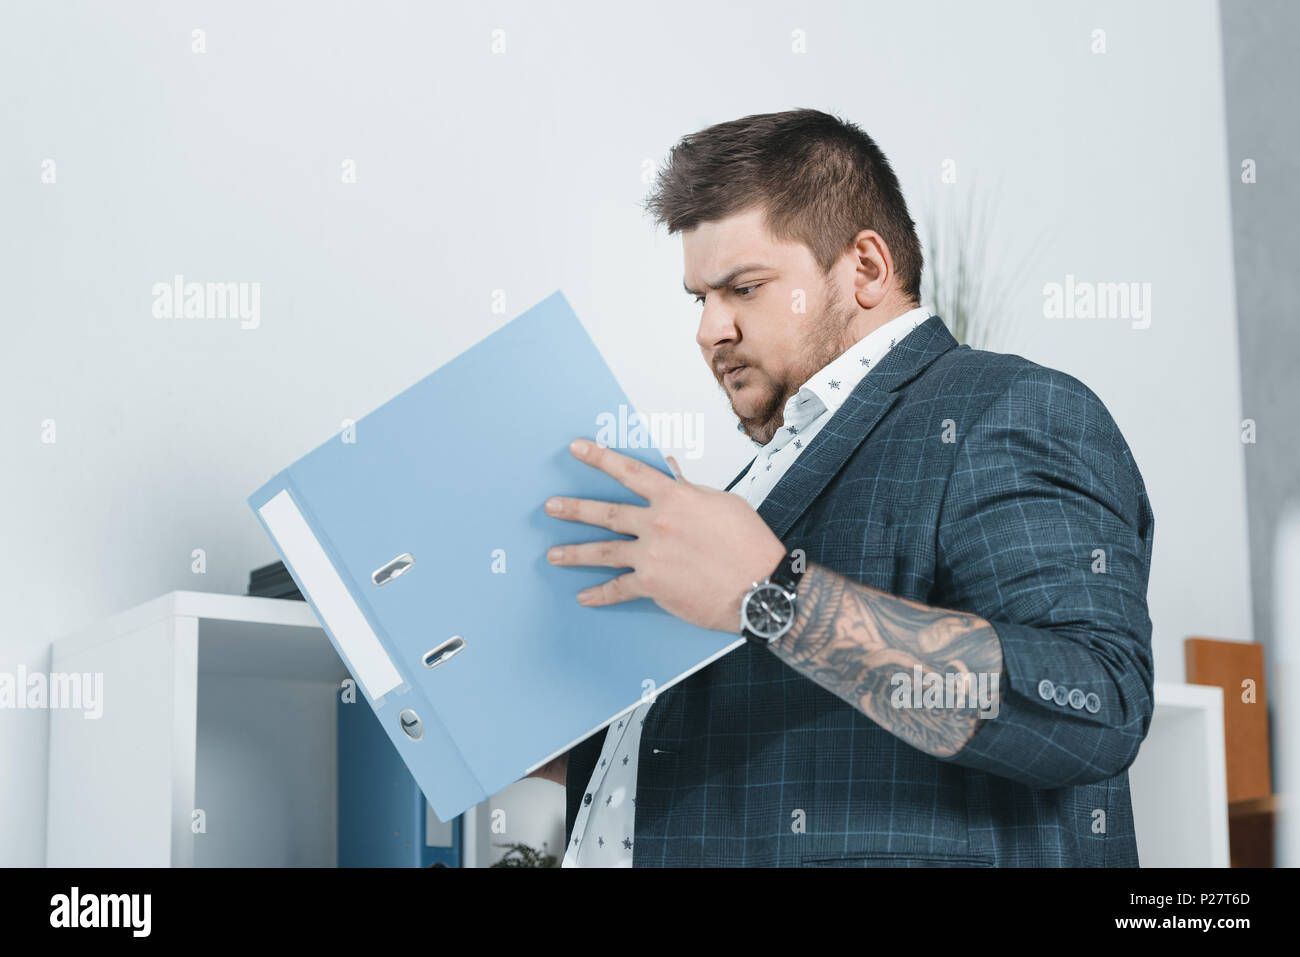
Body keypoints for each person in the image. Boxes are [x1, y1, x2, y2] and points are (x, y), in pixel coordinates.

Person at [534, 108, 1155, 867]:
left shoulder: (1006, 407)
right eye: (700, 298)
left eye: (744, 288)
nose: (710, 329)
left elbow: (1096, 704)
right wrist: (562, 744)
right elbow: (772, 735)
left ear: (865, 267)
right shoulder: (759, 478)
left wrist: (774, 596)